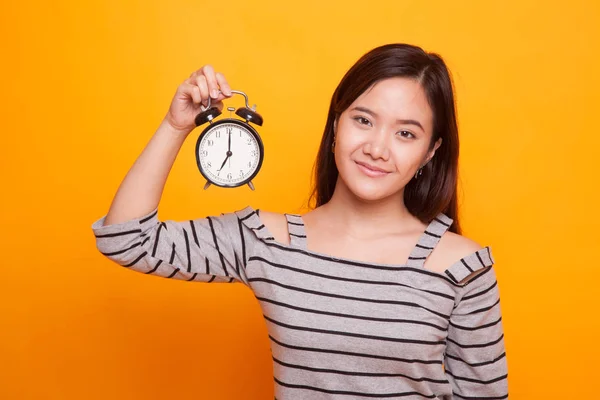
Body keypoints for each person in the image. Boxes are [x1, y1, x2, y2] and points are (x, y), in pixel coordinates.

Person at [92, 43, 508, 399]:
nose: (377, 148)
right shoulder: (266, 241)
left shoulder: (462, 266)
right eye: (363, 120)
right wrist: (175, 125)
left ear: (430, 152)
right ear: (335, 126)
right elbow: (127, 239)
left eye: (406, 134)